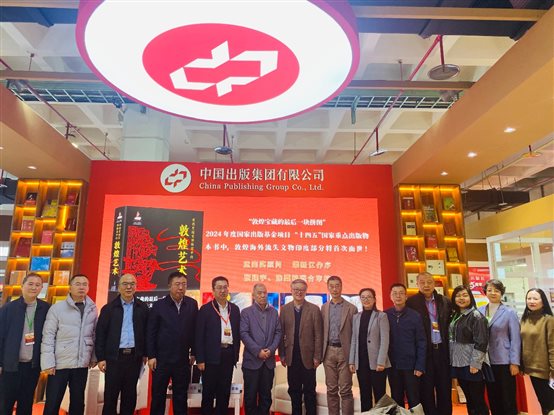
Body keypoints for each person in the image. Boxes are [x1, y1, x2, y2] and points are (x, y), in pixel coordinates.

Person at [41, 274, 97, 415]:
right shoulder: (57, 308)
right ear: (70, 287)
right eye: (77, 284)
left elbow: (94, 335)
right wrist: (48, 362)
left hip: (81, 365)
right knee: (52, 403)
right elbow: (48, 336)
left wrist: (93, 357)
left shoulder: (92, 309)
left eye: (85, 284)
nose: (81, 287)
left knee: (78, 403)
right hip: (59, 364)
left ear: (88, 288)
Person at [95, 273, 149, 415]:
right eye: (125, 284)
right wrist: (101, 358)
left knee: (130, 397)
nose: (129, 287)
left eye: (132, 284)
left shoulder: (142, 307)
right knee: (110, 397)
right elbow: (100, 334)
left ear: (136, 287)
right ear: (119, 287)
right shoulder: (109, 309)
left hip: (134, 358)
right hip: (114, 358)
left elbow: (147, 332)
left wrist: (145, 353)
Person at [147, 271, 198, 415]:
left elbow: (195, 330)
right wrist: (151, 355)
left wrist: (194, 352)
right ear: (169, 286)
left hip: (182, 360)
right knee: (158, 397)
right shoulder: (159, 305)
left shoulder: (192, 304)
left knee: (181, 398)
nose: (181, 288)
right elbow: (151, 332)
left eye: (184, 284)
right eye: (177, 284)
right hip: (161, 360)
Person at [0, 273, 50, 415]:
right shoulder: (8, 308)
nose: (34, 287)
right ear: (22, 286)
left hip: (32, 367)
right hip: (10, 366)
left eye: (38, 285)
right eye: (30, 284)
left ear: (41, 288)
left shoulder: (46, 309)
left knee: (26, 404)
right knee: (5, 405)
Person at [406, 271, 452, 415]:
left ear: (434, 284)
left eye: (429, 282)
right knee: (426, 390)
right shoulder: (411, 303)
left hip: (442, 351)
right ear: (417, 284)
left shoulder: (445, 301)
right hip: (424, 353)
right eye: (422, 282)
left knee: (444, 388)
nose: (426, 285)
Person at [196, 276, 240, 415]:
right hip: (211, 357)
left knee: (224, 393)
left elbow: (237, 333)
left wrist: (235, 356)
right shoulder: (205, 309)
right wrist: (200, 359)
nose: (223, 290)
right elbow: (199, 336)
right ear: (213, 290)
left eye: (225, 287)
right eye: (219, 288)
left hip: (228, 354)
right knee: (208, 393)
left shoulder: (235, 309)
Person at [278, 279, 323, 415]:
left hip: (309, 358)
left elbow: (319, 335)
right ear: (291, 291)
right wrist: (282, 354)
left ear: (306, 291)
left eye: (302, 290)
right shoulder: (285, 309)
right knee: (294, 391)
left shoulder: (314, 309)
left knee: (310, 391)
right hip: (292, 357)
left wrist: (317, 357)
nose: (299, 292)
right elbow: (281, 333)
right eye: (296, 289)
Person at [478, 279, 520, 415]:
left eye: (496, 290)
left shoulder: (509, 312)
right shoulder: (479, 311)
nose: (493, 293)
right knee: (493, 397)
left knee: (508, 398)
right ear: (485, 292)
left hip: (504, 361)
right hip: (486, 361)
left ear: (502, 293)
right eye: (489, 290)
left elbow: (515, 339)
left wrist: (515, 362)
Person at [240, 283, 282, 415]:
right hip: (252, 362)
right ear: (253, 295)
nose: (263, 295)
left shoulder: (274, 312)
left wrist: (271, 349)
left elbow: (278, 333)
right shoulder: (246, 312)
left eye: (264, 292)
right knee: (250, 397)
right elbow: (244, 333)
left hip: (268, 362)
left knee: (266, 397)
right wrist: (258, 351)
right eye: (259, 293)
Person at [449, 285, 490, 415]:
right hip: (459, 363)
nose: (461, 298)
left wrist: (475, 363)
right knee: (469, 399)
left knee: (477, 400)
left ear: (470, 298)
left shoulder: (476, 316)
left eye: (465, 295)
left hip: (472, 364)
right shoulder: (455, 315)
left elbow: (482, 341)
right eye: (458, 296)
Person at [320, 276, 357, 415]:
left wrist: (353, 358)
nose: (334, 289)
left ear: (341, 287)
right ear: (328, 287)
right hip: (328, 351)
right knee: (331, 390)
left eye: (337, 286)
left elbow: (355, 335)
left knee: (346, 390)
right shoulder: (324, 308)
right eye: (332, 286)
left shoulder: (351, 308)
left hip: (345, 352)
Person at [348, 287, 390, 412]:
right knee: (364, 395)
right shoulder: (356, 317)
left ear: (374, 299)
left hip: (377, 363)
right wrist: (352, 361)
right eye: (363, 297)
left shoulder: (381, 316)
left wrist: (381, 361)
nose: (366, 299)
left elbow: (385, 340)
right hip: (361, 362)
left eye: (369, 297)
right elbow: (354, 340)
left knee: (380, 395)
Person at [385, 283, 426, 409]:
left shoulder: (415, 316)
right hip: (393, 365)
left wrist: (420, 365)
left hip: (411, 365)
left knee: (414, 399)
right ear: (390, 296)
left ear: (406, 296)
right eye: (395, 293)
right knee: (396, 399)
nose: (398, 296)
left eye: (401, 293)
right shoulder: (385, 315)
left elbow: (421, 341)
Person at [520, 288, 554, 415]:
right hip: (531, 369)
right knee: (543, 403)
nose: (531, 301)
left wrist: (553, 369)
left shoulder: (549, 320)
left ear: (543, 301)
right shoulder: (524, 319)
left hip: (546, 371)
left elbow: (552, 346)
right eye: (529, 298)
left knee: (550, 406)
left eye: (535, 298)